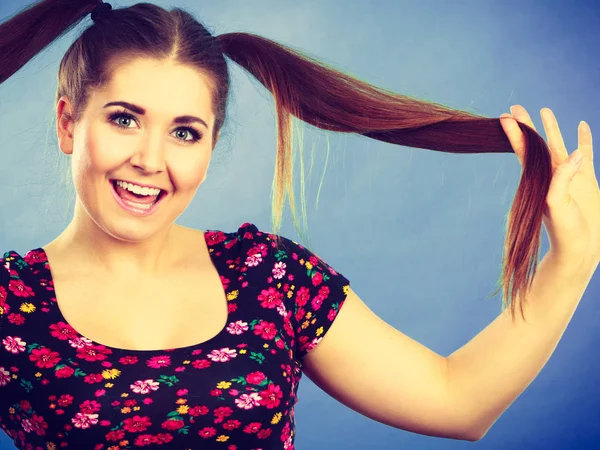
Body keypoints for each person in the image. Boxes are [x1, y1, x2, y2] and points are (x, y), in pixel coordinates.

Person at [0, 0, 598, 449]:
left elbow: (458, 400)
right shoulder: (9, 303)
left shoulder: (269, 277)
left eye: (185, 132)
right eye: (125, 119)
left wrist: (571, 262)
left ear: (208, 151)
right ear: (69, 123)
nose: (151, 160)